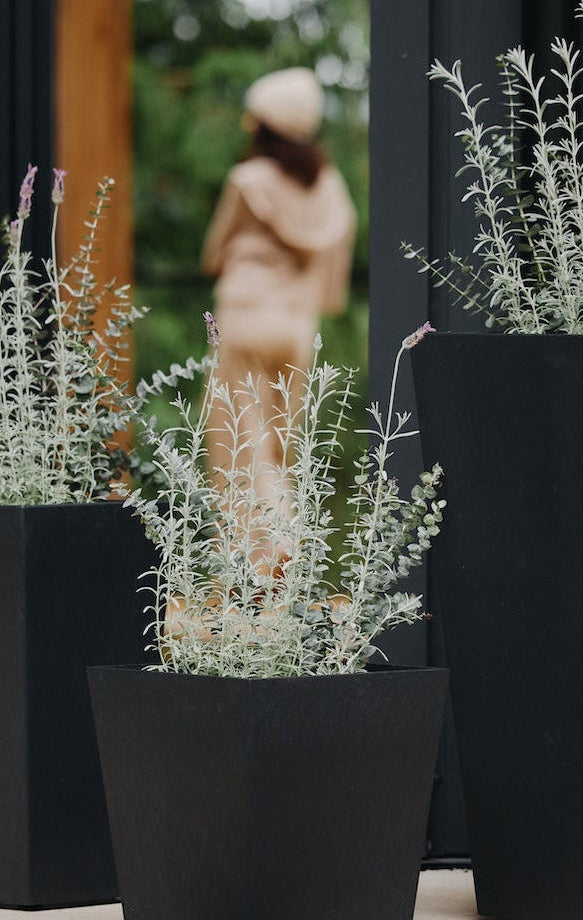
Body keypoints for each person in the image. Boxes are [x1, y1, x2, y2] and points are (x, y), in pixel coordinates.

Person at [201, 66, 357, 555]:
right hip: (297, 325)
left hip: (245, 320)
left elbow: (213, 253)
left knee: (241, 443)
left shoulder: (248, 181)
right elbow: (335, 276)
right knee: (285, 446)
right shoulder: (331, 190)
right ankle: (284, 549)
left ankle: (267, 555)